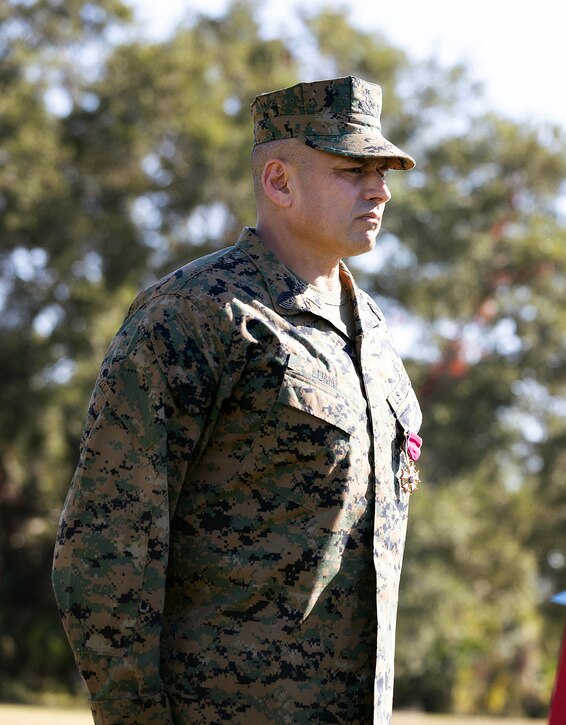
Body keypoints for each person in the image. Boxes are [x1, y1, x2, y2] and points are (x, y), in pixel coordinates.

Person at [52, 75, 424, 723]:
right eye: (351, 169)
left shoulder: (376, 337)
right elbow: (104, 545)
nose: (379, 189)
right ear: (279, 181)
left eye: (384, 171)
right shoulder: (198, 314)